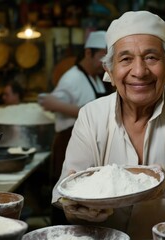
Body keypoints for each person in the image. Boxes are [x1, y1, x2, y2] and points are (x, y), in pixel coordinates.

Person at [51, 11, 165, 239]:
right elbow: (68, 192)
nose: (139, 72)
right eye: (125, 59)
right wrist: (74, 210)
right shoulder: (92, 116)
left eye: (151, 57)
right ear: (110, 71)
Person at [40, 30, 113, 224]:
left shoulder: (97, 77)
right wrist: (87, 113)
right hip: (67, 142)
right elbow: (49, 102)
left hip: (90, 144)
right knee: (65, 194)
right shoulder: (71, 78)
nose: (105, 63)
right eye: (102, 57)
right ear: (88, 53)